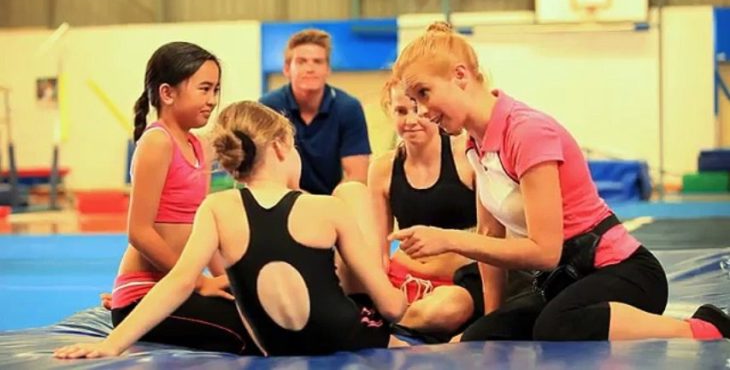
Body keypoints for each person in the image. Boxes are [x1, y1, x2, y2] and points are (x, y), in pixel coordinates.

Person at [388, 22, 730, 342]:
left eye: (424, 93)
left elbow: (544, 251)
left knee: (557, 325)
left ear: (460, 76)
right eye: (414, 101)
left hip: (625, 274)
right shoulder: (475, 145)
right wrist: (491, 321)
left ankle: (702, 327)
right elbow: (490, 237)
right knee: (478, 338)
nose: (422, 112)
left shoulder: (526, 132)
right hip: (566, 281)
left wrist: (448, 240)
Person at [54, 101, 408, 359]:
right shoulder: (326, 207)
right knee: (353, 191)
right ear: (282, 146)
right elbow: (392, 310)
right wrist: (397, 290)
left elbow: (178, 283)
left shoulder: (217, 208)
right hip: (346, 337)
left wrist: (112, 343)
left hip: (276, 345)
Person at [101, 42, 257, 355]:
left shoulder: (197, 145)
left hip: (177, 287)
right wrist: (199, 283)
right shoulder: (158, 142)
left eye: (216, 90)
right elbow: (139, 231)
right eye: (204, 89)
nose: (212, 100)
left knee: (263, 315)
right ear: (168, 94)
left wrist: (226, 280)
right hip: (145, 294)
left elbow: (203, 231)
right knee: (251, 333)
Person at [369, 79, 476, 337]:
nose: (411, 120)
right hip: (402, 279)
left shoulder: (465, 155)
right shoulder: (383, 168)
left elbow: (493, 235)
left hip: (455, 283)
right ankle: (386, 318)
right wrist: (379, 287)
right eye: (401, 111)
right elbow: (379, 247)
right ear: (390, 111)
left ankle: (381, 326)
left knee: (449, 308)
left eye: (418, 110)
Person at [260, 29, 371, 194]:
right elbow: (263, 172)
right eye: (301, 61)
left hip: (333, 203)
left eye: (317, 61)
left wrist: (325, 207)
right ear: (286, 68)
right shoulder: (268, 107)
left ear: (328, 69)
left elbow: (357, 176)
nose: (310, 68)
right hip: (282, 200)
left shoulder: (349, 108)